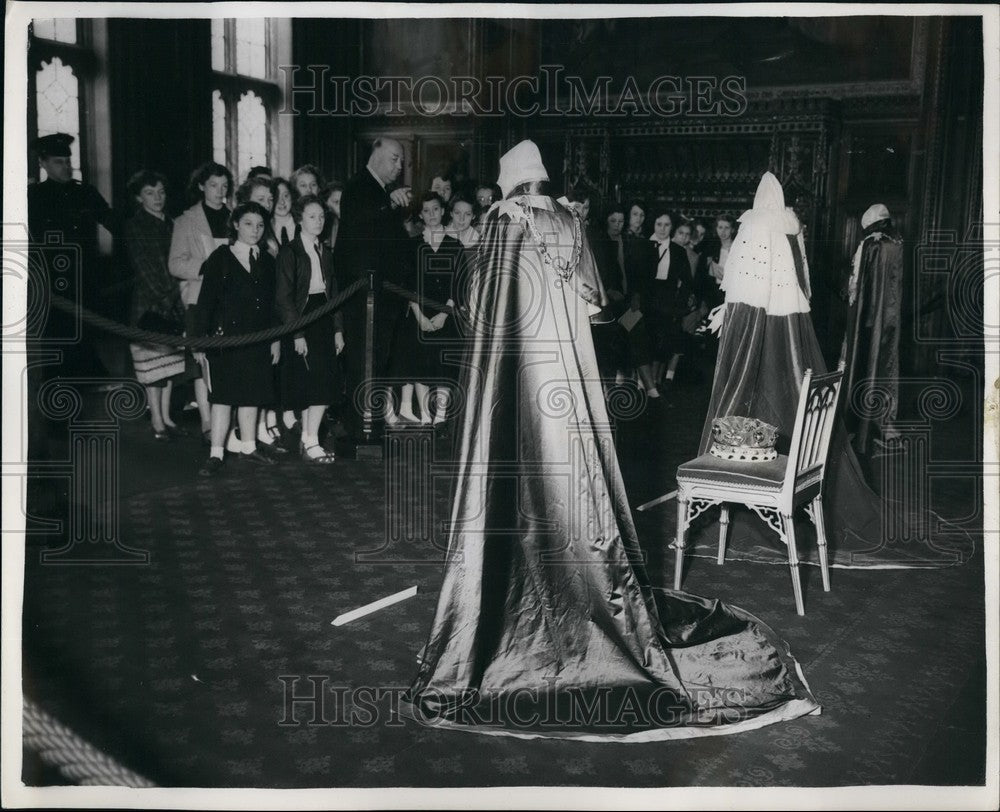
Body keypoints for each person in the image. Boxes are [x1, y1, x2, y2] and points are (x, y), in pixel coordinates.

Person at [404, 141, 819, 739]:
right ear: (543, 179)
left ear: (506, 184)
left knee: (506, 491)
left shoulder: (498, 227)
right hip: (565, 385)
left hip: (514, 383)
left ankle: (490, 628)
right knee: (575, 490)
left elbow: (473, 306)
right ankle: (589, 613)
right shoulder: (571, 220)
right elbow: (598, 302)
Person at [698, 173, 970, 568]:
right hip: (791, 329)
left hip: (764, 324)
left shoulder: (760, 229)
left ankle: (734, 494)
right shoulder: (792, 233)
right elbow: (797, 288)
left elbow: (747, 294)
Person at [191, 202, 281, 476]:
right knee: (223, 397)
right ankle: (216, 453)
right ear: (235, 225)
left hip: (258, 339)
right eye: (248, 224)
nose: (255, 230)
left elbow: (273, 305)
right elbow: (205, 302)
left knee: (252, 394)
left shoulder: (267, 260)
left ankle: (249, 446)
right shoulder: (221, 257)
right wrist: (199, 341)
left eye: (260, 225)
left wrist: (275, 339)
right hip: (225, 340)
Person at [334, 137, 412, 443]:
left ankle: (370, 427)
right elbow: (360, 220)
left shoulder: (378, 191)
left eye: (401, 161)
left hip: (382, 294)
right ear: (376, 154)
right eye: (394, 158)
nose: (399, 166)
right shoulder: (358, 187)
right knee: (363, 362)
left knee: (376, 362)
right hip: (363, 294)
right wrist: (390, 202)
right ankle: (361, 430)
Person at [28, 133, 116, 376]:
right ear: (43, 164)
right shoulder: (34, 197)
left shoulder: (85, 193)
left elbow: (113, 222)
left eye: (68, 161)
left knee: (84, 334)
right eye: (58, 162)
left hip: (84, 279)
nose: (66, 167)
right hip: (52, 282)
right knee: (56, 340)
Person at [275, 194, 345, 463]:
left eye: (321, 217)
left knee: (323, 381)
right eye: (312, 216)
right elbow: (283, 298)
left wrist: (338, 329)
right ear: (299, 219)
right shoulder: (289, 252)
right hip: (302, 319)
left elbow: (335, 292)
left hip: (324, 318)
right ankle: (310, 440)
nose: (318, 221)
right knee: (312, 384)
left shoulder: (325, 251)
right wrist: (298, 333)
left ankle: (308, 438)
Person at [168, 161, 233, 444]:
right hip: (200, 297)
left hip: (230, 299)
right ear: (201, 187)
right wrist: (208, 267)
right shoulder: (186, 221)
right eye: (214, 186)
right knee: (201, 360)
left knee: (227, 361)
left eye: (224, 186)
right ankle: (207, 421)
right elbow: (175, 264)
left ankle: (225, 421)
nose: (220, 192)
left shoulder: (234, 217)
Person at [386, 192, 460, 426]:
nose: (431, 215)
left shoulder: (454, 245)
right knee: (420, 363)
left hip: (444, 315)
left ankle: (440, 415)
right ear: (420, 215)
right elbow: (408, 283)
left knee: (443, 366)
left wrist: (444, 314)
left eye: (435, 209)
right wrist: (419, 316)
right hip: (419, 313)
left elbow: (458, 284)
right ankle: (425, 416)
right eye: (426, 211)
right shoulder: (413, 245)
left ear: (443, 211)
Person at [123, 170, 186, 440]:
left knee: (170, 363)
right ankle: (157, 421)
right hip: (150, 305)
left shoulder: (174, 223)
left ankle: (168, 417)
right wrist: (172, 295)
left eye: (161, 192)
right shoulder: (135, 226)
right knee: (152, 367)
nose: (157, 197)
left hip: (175, 303)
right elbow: (147, 271)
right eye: (150, 193)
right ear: (139, 197)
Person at [840, 203, 904, 455]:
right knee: (885, 365)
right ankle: (885, 424)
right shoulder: (897, 242)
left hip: (866, 320)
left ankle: (859, 425)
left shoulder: (871, 245)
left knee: (862, 366)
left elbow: (856, 287)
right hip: (889, 319)